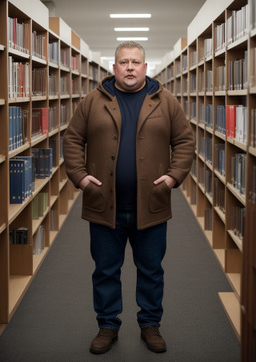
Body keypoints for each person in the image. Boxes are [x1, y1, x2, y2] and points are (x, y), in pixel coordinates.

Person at [63, 41, 195, 354]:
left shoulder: (166, 101)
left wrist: (173, 177)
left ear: (146, 67)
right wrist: (81, 178)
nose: (130, 67)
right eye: (124, 62)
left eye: (136, 62)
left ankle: (150, 324)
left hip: (151, 204)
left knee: (151, 270)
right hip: (103, 204)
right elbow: (71, 140)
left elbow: (186, 142)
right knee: (105, 271)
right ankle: (107, 325)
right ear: (114, 68)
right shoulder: (93, 101)